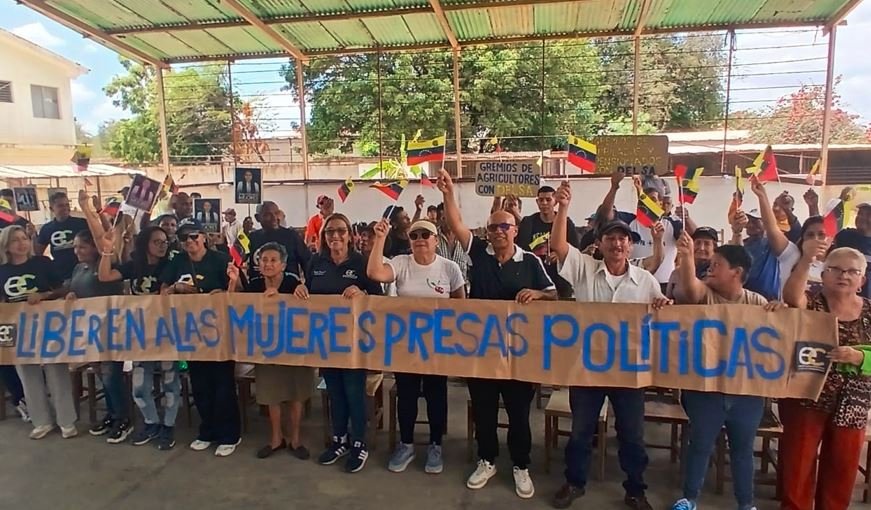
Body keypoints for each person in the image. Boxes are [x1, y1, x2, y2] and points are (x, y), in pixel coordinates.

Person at [437, 169, 556, 499]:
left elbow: (554, 295)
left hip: (519, 355)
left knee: (519, 414)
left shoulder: (529, 261)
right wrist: (448, 193)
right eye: (493, 227)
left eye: (505, 226)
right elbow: (457, 224)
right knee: (484, 411)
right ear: (486, 232)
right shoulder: (478, 254)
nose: (499, 231)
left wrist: (538, 294)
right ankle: (487, 460)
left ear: (515, 230)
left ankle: (521, 465)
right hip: (482, 353)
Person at [549, 181, 667, 510]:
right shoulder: (584, 271)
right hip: (587, 369)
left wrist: (664, 305)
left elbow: (662, 314)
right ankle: (574, 482)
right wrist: (563, 208)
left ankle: (635, 489)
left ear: (631, 245)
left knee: (632, 435)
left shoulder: (645, 281)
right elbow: (558, 245)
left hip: (629, 372)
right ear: (599, 244)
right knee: (581, 431)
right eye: (611, 238)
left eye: (622, 238)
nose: (617, 243)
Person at [669, 231, 777, 510]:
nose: (710, 268)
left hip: (746, 394)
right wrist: (686, 257)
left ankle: (746, 504)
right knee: (700, 446)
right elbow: (691, 289)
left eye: (717, 265)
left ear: (736, 272)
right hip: (706, 392)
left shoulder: (758, 304)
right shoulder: (705, 295)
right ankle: (689, 498)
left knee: (742, 450)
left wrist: (782, 311)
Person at [367, 218, 465, 474]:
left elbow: (461, 307)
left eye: (425, 234)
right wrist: (380, 239)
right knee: (407, 395)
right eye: (414, 235)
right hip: (406, 345)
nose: (420, 239)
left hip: (437, 346)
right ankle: (406, 443)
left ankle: (435, 445)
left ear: (436, 240)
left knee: (436, 395)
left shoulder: (450, 268)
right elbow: (375, 273)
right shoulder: (401, 263)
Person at [780, 245, 871, 510]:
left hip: (853, 402)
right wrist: (807, 258)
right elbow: (791, 296)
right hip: (807, 396)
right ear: (823, 274)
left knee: (842, 468)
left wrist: (860, 357)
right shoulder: (812, 303)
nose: (844, 275)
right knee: (798, 465)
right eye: (836, 269)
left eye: (852, 271)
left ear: (862, 280)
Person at [295, 213, 382, 473]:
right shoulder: (316, 262)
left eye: (341, 231)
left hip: (355, 342)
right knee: (335, 393)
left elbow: (378, 298)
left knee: (354, 393)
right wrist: (301, 289)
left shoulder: (361, 262)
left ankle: (359, 443)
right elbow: (309, 292)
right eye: (330, 231)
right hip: (326, 342)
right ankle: (339, 440)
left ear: (350, 235)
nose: (335, 236)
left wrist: (362, 292)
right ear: (323, 236)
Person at [160, 218, 241, 457]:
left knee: (223, 384)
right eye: (183, 238)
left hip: (220, 332)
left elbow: (237, 293)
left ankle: (229, 434)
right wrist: (174, 289)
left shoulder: (220, 260)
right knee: (200, 384)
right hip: (191, 332)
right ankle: (207, 430)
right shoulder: (177, 262)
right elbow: (163, 291)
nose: (189, 241)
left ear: (204, 237)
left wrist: (222, 291)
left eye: (194, 236)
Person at [228, 242, 314, 461]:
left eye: (273, 260)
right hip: (266, 349)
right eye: (264, 260)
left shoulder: (292, 282)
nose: (268, 264)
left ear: (283, 265)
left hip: (294, 348)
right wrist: (234, 282)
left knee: (296, 394)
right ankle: (276, 438)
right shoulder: (255, 284)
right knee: (271, 394)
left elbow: (307, 306)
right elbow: (237, 306)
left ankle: (295, 439)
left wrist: (296, 293)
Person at [97, 226, 177, 450]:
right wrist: (107, 250)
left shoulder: (171, 265)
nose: (162, 246)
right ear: (145, 244)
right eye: (156, 242)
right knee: (140, 384)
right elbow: (104, 276)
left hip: (167, 331)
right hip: (140, 333)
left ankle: (168, 426)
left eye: (164, 241)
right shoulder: (134, 266)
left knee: (170, 381)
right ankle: (151, 422)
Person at [0, 226, 74, 439]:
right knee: (27, 374)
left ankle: (66, 420)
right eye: (15, 240)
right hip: (18, 327)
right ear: (6, 246)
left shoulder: (42, 263)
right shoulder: (2, 270)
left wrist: (43, 295)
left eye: (24, 238)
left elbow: (62, 288)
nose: (21, 243)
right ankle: (41, 421)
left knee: (56, 372)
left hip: (48, 324)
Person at [62, 229, 129, 443]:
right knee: (102, 375)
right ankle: (112, 413)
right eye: (75, 247)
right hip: (88, 330)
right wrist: (71, 295)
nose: (77, 251)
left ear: (94, 247)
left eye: (82, 246)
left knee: (111, 375)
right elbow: (76, 290)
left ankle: (123, 418)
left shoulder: (107, 266)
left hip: (110, 329)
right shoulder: (78, 268)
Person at [597, 172, 685, 287]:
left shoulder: (672, 224)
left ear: (660, 203)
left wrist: (687, 218)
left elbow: (692, 238)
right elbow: (605, 214)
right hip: (634, 283)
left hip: (664, 286)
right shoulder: (628, 221)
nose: (648, 203)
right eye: (644, 199)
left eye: (653, 199)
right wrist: (614, 187)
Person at [517, 185, 580, 299]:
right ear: (537, 202)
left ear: (555, 201)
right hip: (535, 277)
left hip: (560, 278)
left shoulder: (566, 223)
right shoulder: (528, 222)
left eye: (548, 199)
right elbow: (521, 249)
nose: (544, 203)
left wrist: (560, 254)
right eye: (541, 200)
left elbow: (575, 249)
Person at [34, 191, 89, 281]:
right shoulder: (47, 228)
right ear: (51, 209)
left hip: (83, 271)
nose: (65, 208)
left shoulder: (81, 223)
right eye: (60, 206)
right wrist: (33, 235)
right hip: (60, 274)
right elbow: (38, 253)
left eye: (67, 205)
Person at [248, 201, 310, 280]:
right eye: (268, 215)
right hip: (258, 286)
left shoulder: (291, 236)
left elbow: (307, 263)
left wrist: (309, 285)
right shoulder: (252, 237)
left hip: (288, 286)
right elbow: (237, 258)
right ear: (257, 218)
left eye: (276, 213)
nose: (274, 218)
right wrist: (243, 235)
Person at [665, 226, 719, 299]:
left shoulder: (718, 274)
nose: (701, 248)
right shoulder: (677, 273)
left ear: (714, 247)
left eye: (707, 244)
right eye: (698, 243)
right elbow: (668, 300)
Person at [833, 202, 871, 298]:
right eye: (860, 213)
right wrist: (813, 206)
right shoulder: (844, 235)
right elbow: (822, 231)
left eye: (868, 215)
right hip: (839, 295)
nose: (862, 217)